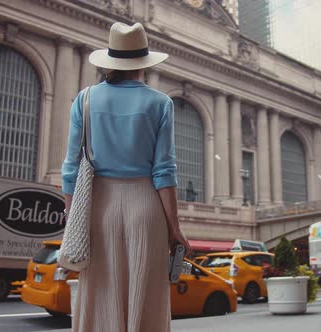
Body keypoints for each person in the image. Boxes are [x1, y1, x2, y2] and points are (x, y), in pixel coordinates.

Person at [61, 22, 191, 331]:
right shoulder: (161, 104)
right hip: (146, 207)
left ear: (111, 62)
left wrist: (71, 216)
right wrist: (174, 227)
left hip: (97, 207)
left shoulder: (86, 99)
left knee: (99, 293)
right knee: (147, 295)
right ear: (143, 64)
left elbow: (70, 167)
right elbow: (164, 170)